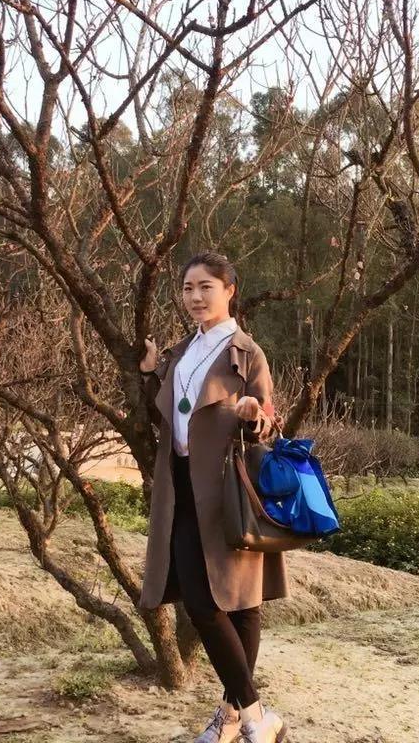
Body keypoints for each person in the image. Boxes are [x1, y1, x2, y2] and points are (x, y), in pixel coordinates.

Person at [138, 251, 288, 743]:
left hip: (227, 490)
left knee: (236, 603)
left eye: (206, 287)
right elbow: (171, 413)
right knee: (204, 602)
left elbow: (268, 421)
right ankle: (254, 717)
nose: (196, 297)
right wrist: (151, 373)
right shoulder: (183, 351)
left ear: (229, 291)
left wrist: (254, 415)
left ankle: (238, 716)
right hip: (180, 487)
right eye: (188, 288)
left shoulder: (247, 353)